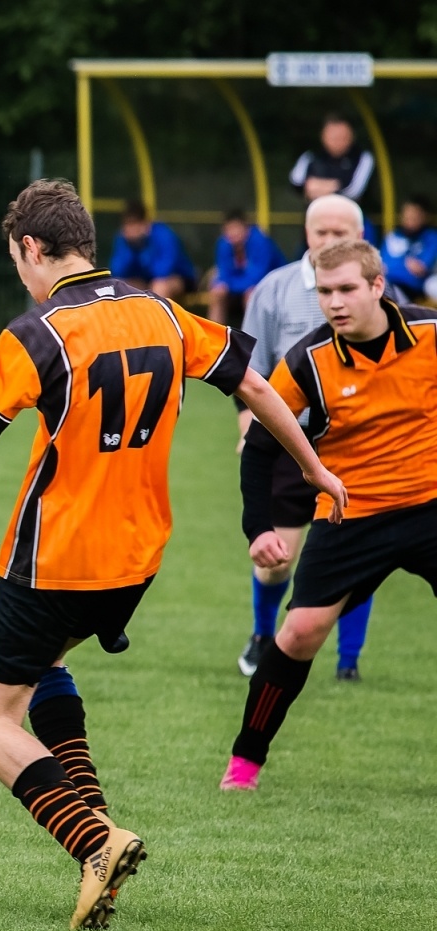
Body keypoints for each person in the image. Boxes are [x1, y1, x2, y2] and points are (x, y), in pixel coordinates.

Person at [0, 179, 344, 930]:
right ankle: (97, 834)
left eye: (15, 258)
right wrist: (314, 468)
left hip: (55, 559)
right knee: (48, 666)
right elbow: (252, 383)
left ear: (31, 248)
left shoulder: (38, 333)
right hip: (138, 557)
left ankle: (95, 839)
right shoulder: (161, 312)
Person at [222, 240, 437, 791]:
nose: (335, 302)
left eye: (346, 289)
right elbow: (261, 446)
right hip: (352, 515)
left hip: (430, 507)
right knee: (297, 635)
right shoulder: (308, 361)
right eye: (324, 291)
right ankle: (244, 765)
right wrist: (259, 528)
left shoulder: (431, 334)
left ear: (377, 287)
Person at [236, 194, 374, 681]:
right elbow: (250, 374)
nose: (332, 242)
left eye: (343, 234)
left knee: (361, 553)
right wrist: (245, 432)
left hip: (359, 444)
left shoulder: (381, 292)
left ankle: (349, 661)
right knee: (277, 560)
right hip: (287, 442)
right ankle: (261, 635)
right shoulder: (273, 291)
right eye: (323, 233)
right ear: (307, 233)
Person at [207, 209, 287, 326]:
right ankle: (214, 337)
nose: (233, 233)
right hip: (241, 287)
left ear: (246, 228)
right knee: (217, 292)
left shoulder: (260, 241)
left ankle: (251, 338)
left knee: (251, 295)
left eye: (236, 228)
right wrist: (222, 284)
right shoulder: (223, 244)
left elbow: (257, 278)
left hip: (272, 286)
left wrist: (229, 284)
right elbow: (223, 273)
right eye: (229, 229)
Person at [109, 200, 197, 300]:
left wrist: (143, 247)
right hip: (147, 281)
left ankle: (157, 316)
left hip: (180, 279)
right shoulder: (123, 239)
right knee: (121, 286)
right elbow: (118, 271)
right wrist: (132, 248)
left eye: (134, 223)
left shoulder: (163, 234)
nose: (130, 229)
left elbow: (164, 271)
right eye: (127, 224)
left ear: (144, 223)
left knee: (159, 286)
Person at [290, 114, 374, 204]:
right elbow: (296, 183)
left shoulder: (363, 157)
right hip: (316, 214)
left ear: (351, 136)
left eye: (343, 137)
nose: (338, 141)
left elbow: (354, 192)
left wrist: (318, 187)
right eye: (334, 137)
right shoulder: (310, 156)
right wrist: (333, 186)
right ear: (323, 136)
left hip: (350, 215)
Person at [379, 195, 437, 303]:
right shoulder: (393, 236)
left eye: (415, 215)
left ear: (425, 216)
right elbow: (382, 266)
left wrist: (393, 266)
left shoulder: (431, 237)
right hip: (385, 283)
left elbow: (420, 269)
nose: (410, 218)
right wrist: (404, 265)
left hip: (410, 289)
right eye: (407, 214)